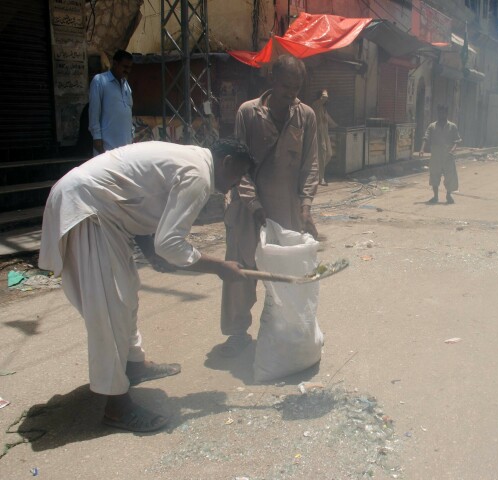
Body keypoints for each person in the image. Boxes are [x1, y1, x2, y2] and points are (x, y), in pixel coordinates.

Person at [38, 140, 251, 432]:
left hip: (102, 208)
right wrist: (219, 267)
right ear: (226, 162)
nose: (234, 186)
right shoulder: (200, 176)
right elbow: (171, 244)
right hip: (88, 208)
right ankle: (116, 406)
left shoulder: (192, 160)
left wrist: (150, 251)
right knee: (110, 305)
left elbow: (142, 200)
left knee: (126, 292)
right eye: (237, 176)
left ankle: (134, 364)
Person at [217, 54, 319, 357]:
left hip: (286, 209)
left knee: (283, 275)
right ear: (272, 80)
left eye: (296, 87)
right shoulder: (248, 113)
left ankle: (281, 330)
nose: (291, 93)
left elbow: (310, 165)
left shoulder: (306, 116)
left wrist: (306, 207)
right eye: (286, 85)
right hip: (249, 210)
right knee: (242, 271)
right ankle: (237, 333)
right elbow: (240, 166)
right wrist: (255, 207)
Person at [89, 49, 134, 155]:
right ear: (115, 64)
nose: (127, 71)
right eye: (125, 67)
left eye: (130, 67)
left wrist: (132, 138)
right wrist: (98, 142)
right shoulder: (99, 81)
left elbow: (129, 115)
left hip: (126, 150)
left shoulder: (126, 86)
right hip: (107, 150)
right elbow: (93, 115)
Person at [419, 105, 462, 204]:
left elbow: (457, 140)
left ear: (446, 113)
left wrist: (452, 150)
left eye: (443, 112)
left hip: (448, 155)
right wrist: (422, 149)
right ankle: (435, 196)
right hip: (436, 155)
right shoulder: (432, 126)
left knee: (450, 176)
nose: (441, 114)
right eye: (439, 112)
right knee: (434, 175)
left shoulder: (452, 126)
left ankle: (448, 195)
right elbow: (426, 137)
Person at [311, 89, 338, 186]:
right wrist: (325, 91)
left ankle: (316, 173)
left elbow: (330, 121)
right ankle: (320, 178)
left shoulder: (323, 108)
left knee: (329, 154)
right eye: (324, 97)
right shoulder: (316, 105)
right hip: (318, 134)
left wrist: (338, 126)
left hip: (325, 134)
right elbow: (324, 98)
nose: (326, 99)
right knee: (322, 155)